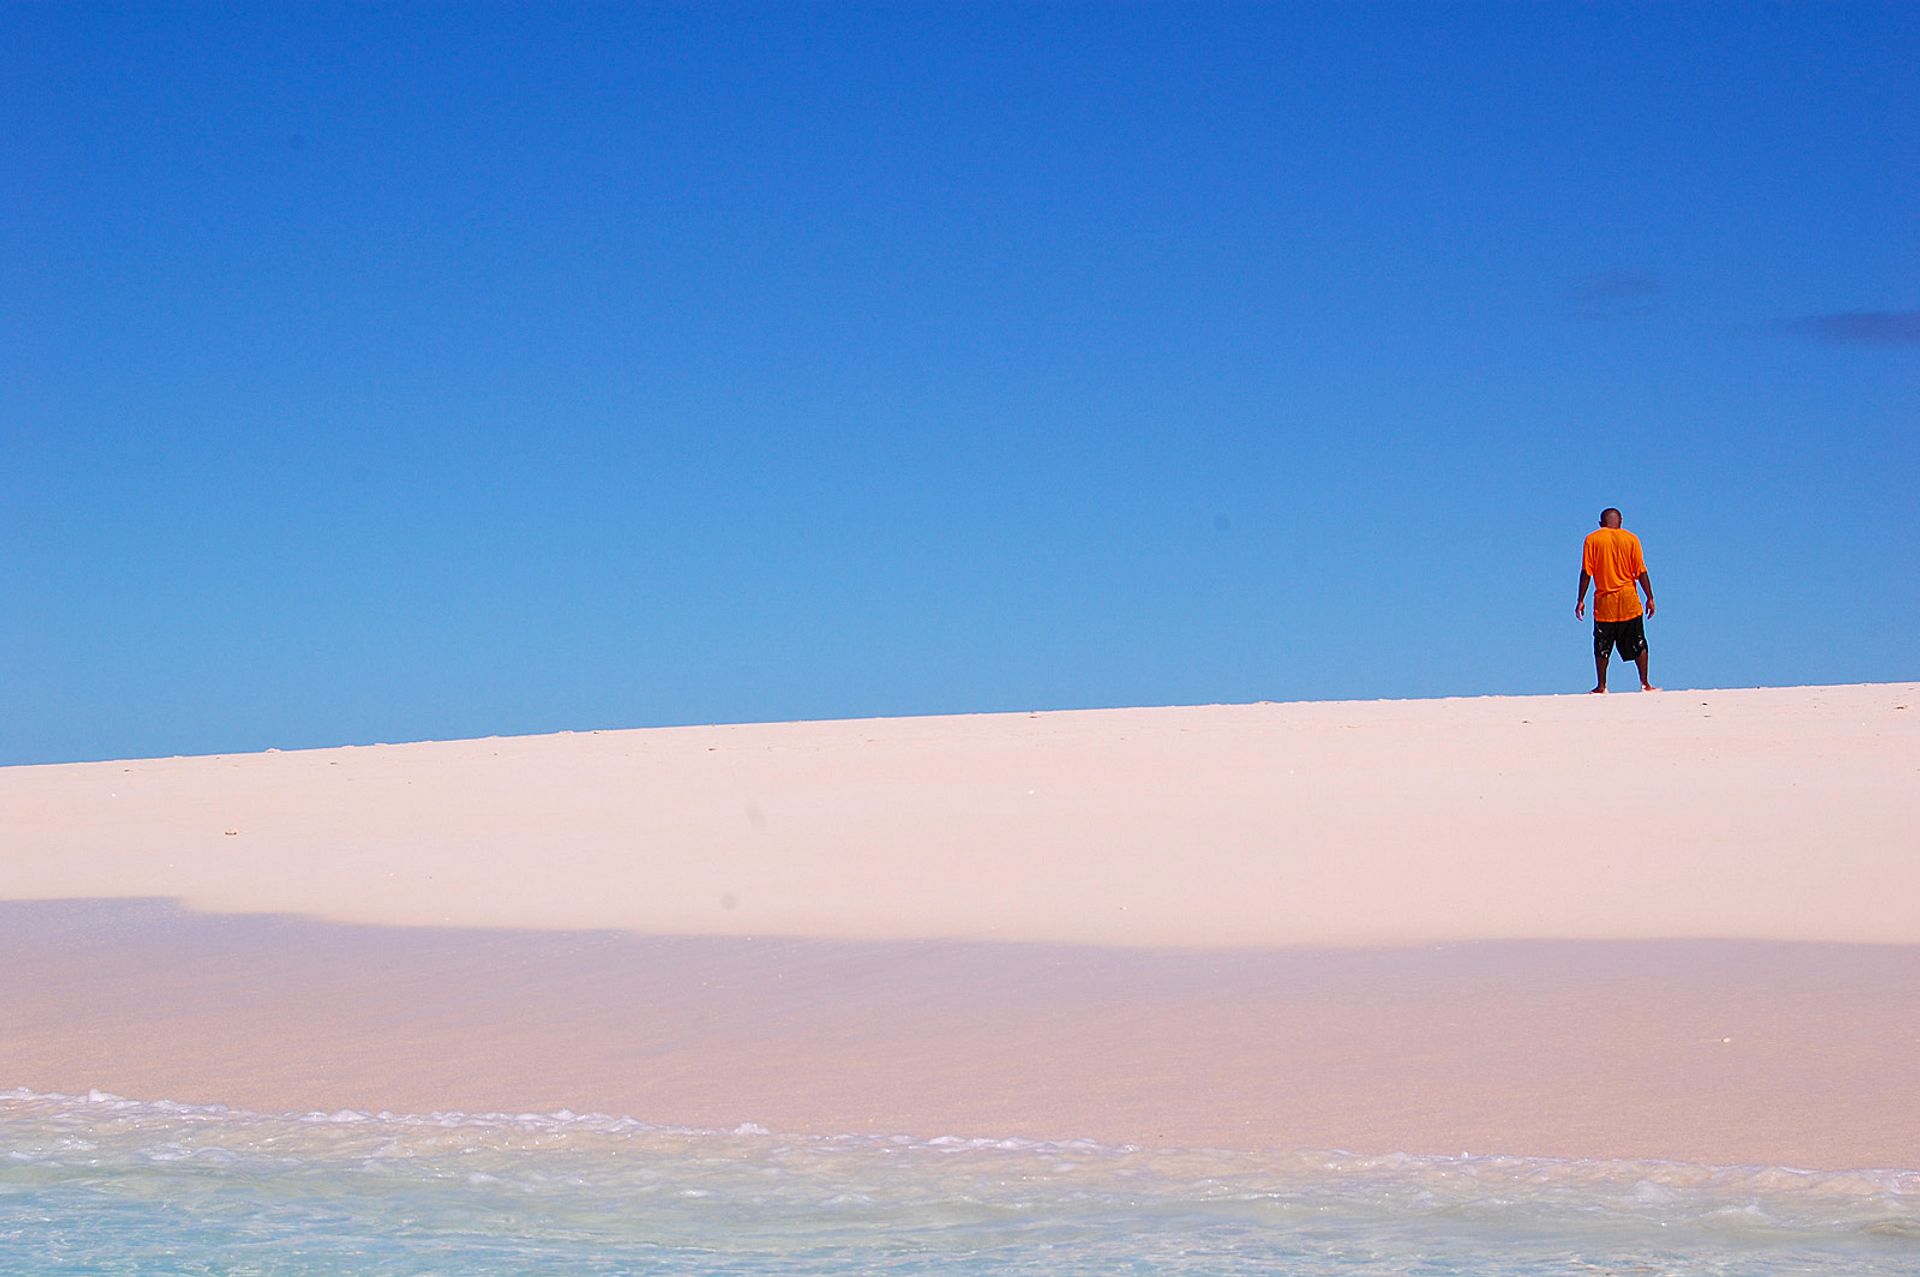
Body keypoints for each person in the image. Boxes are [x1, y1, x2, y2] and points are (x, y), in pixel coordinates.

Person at [1575, 508, 1656, 692]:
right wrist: (1650, 597)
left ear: (1601, 523)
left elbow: (1586, 572)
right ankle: (1645, 683)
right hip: (1629, 599)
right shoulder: (1631, 539)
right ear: (1621, 522)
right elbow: (1641, 571)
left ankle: (1601, 685)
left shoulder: (1592, 539)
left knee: (1602, 644)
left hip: (1605, 602)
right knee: (1638, 640)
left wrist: (1580, 599)